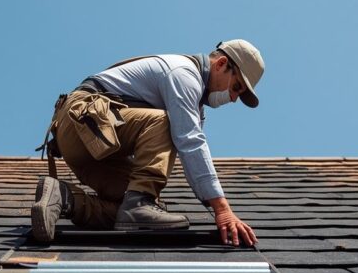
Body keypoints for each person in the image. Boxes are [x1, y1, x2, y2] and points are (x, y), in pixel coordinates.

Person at [32, 39, 263, 247]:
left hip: (94, 143)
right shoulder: (184, 73)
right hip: (82, 122)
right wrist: (222, 210)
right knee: (165, 125)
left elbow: (191, 155)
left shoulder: (195, 101)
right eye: (236, 88)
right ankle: (139, 203)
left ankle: (65, 198)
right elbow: (189, 140)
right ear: (221, 64)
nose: (234, 98)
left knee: (131, 212)